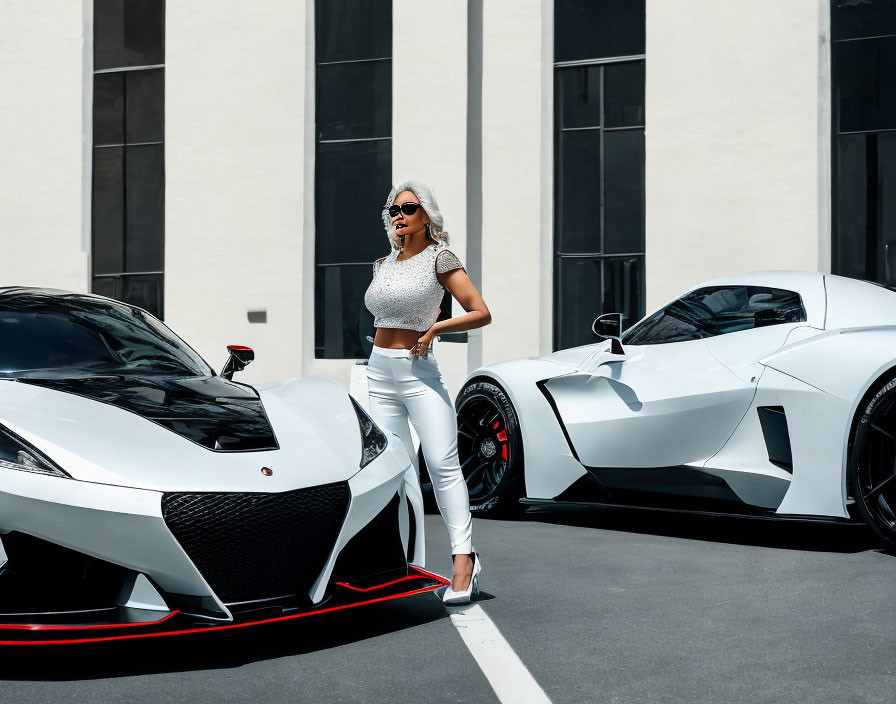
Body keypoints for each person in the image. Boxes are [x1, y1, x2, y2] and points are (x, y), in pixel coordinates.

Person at [363, 180, 491, 605]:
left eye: (408, 208)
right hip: (378, 373)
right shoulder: (383, 263)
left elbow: (480, 312)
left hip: (417, 371)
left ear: (426, 214)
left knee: (441, 463)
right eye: (393, 210)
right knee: (393, 471)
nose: (399, 216)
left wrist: (435, 327)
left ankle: (463, 561)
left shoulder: (440, 257)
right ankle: (401, 562)